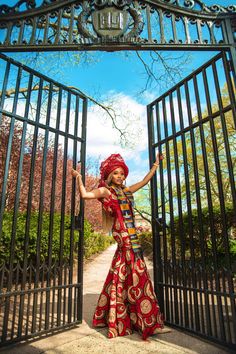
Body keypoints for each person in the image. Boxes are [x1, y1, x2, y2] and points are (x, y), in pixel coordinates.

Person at [71, 153, 170, 340]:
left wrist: (156, 165)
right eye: (116, 173)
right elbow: (85, 195)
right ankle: (149, 323)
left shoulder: (127, 191)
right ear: (109, 175)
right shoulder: (106, 191)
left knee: (121, 275)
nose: (119, 176)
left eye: (122, 174)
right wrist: (78, 178)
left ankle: (129, 319)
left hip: (132, 238)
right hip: (124, 239)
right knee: (139, 277)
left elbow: (144, 181)